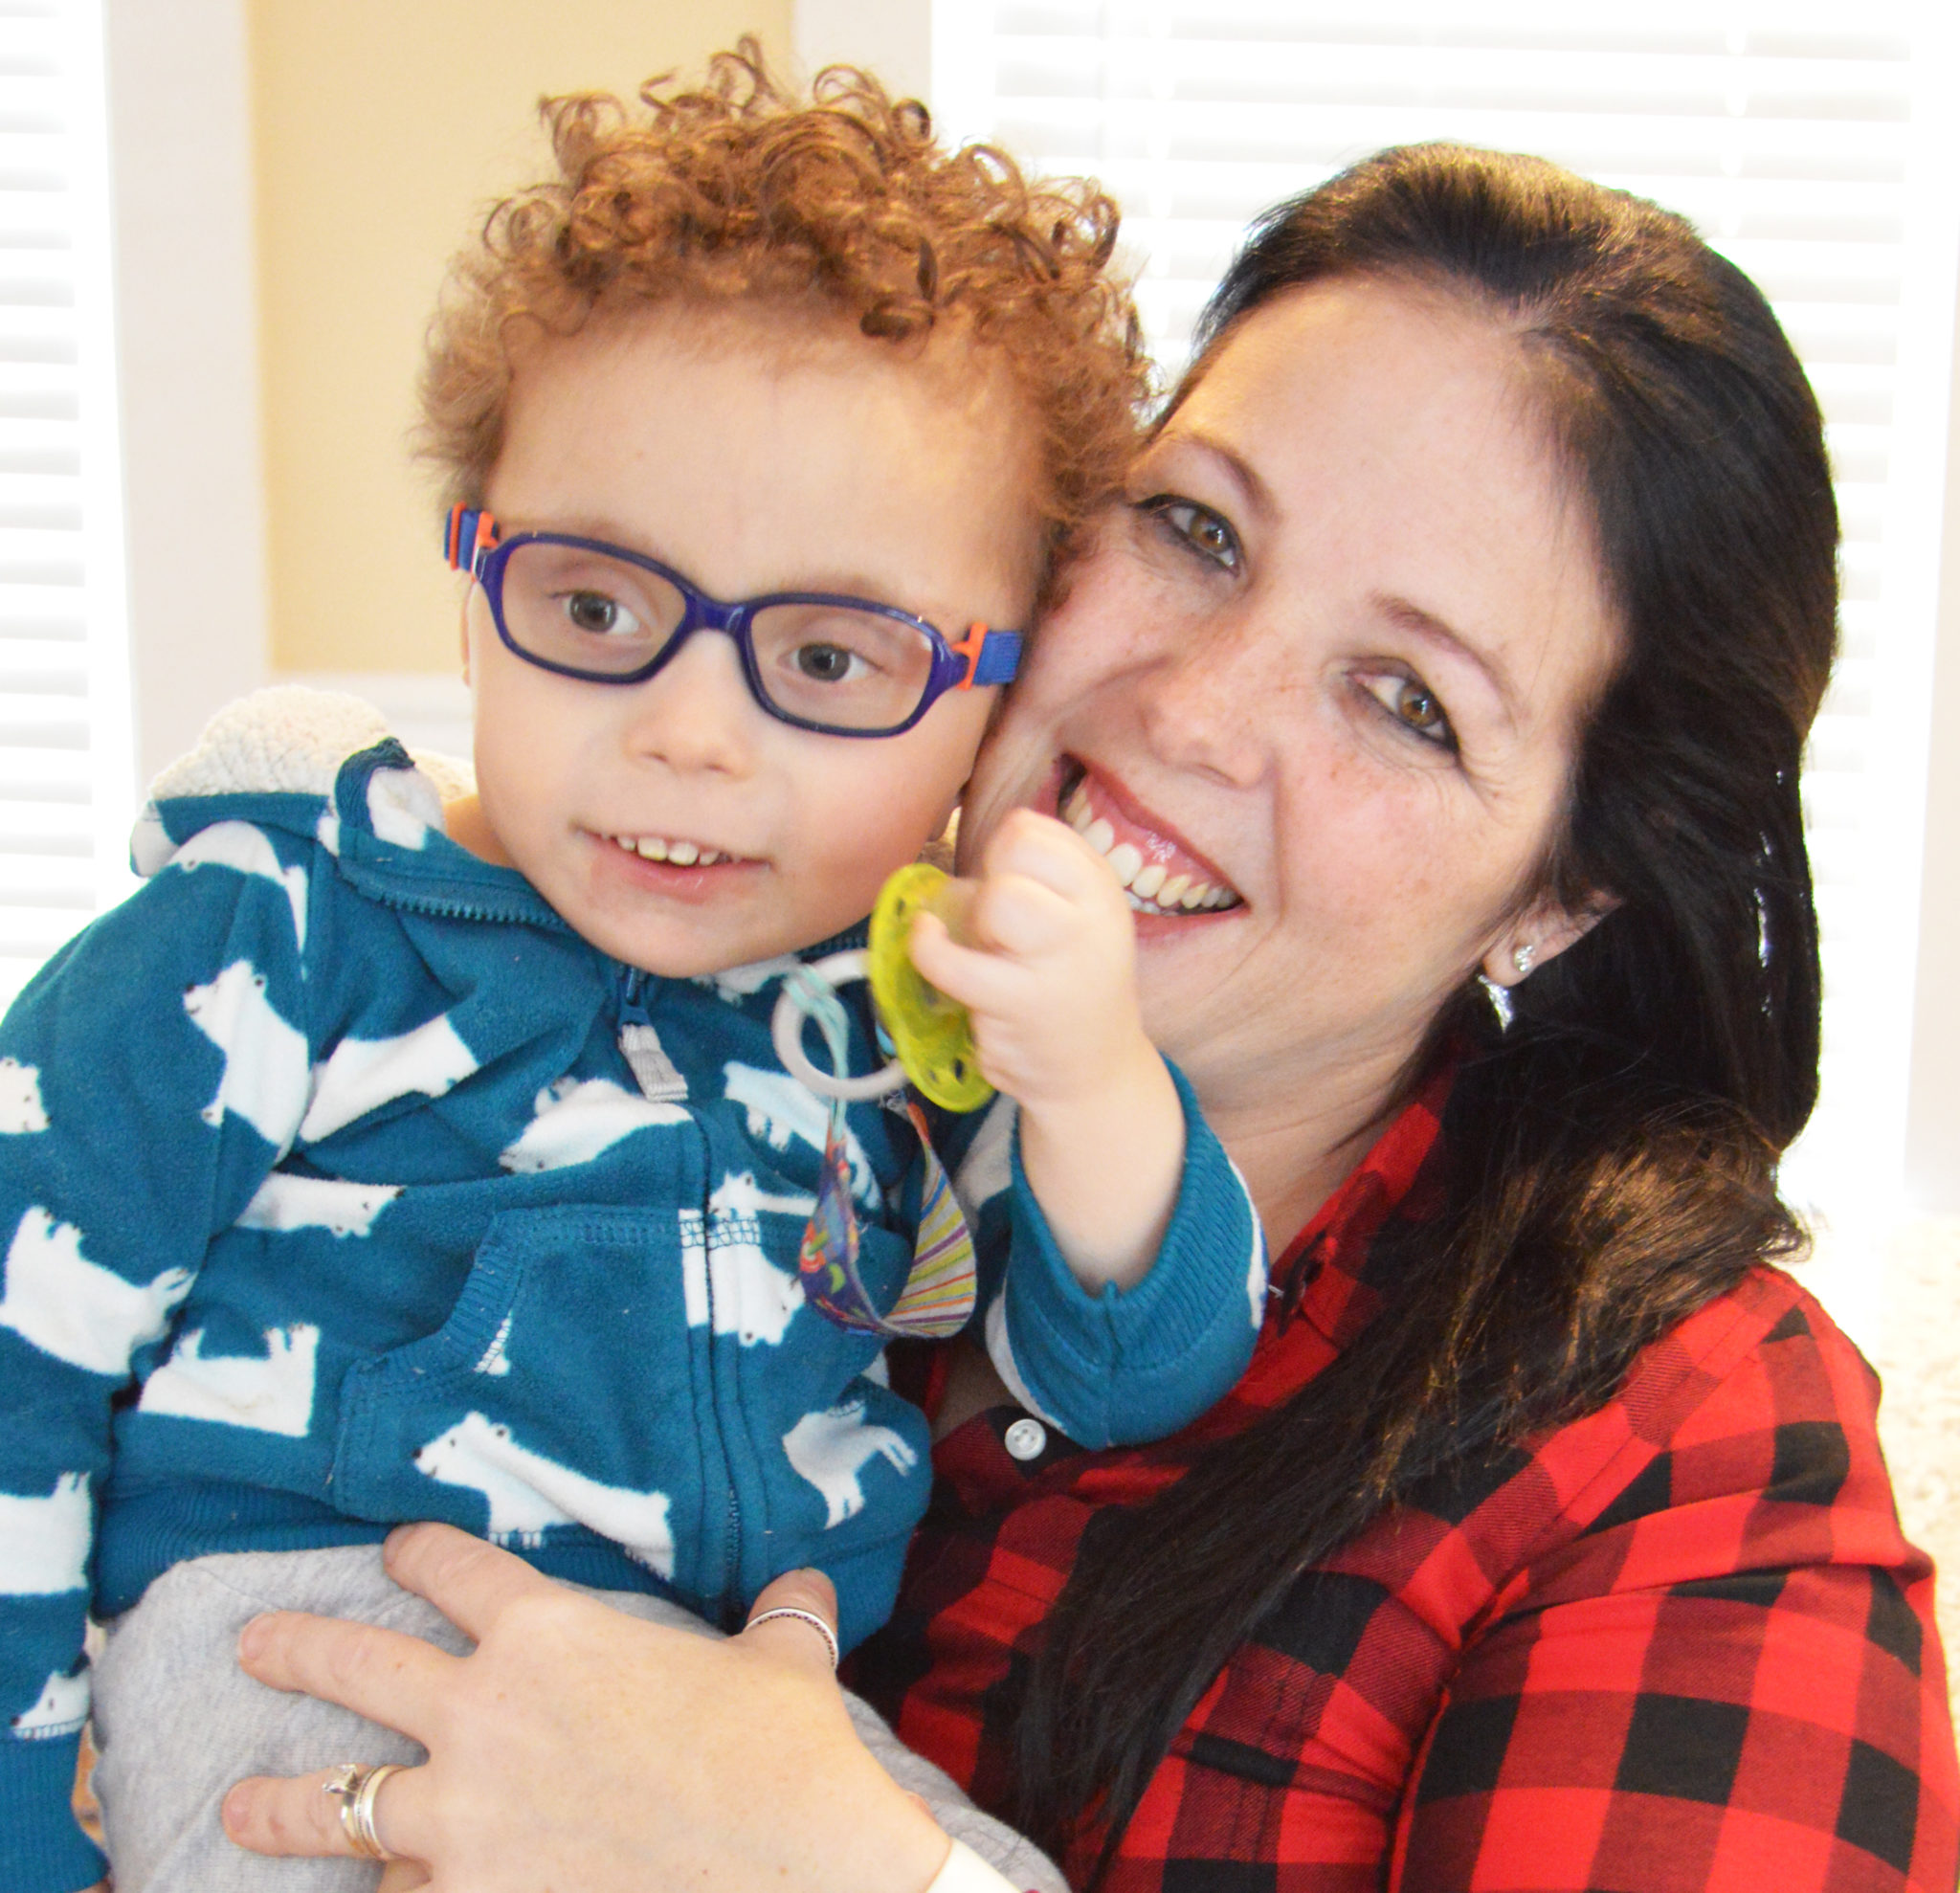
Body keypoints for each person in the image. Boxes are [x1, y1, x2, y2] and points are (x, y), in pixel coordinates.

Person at [220, 143, 1960, 1891]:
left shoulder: (1691, 1459)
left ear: (1559, 889)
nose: (1194, 710)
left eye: (1408, 700)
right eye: (1196, 529)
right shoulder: (636, 1033)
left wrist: (830, 1867)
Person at [0, 50, 1274, 1893]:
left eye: (833, 659)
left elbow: (1138, 1369)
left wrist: (1089, 1077)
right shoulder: (284, 924)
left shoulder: (915, 1011)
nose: (690, 733)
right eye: (596, 608)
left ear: (988, 697)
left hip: (733, 1731)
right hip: (296, 1663)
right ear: (470, 576)